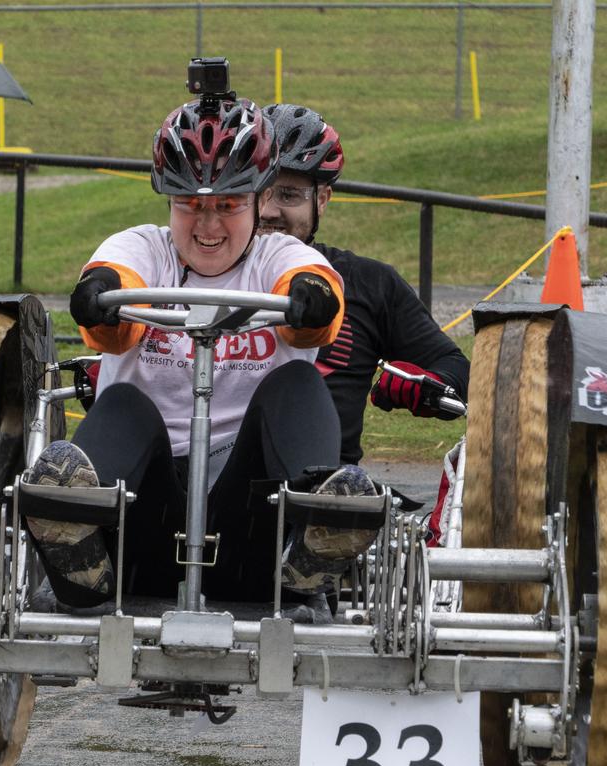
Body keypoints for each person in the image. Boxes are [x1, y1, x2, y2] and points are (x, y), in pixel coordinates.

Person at [23, 92, 375, 619]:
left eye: (227, 205)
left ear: (256, 199)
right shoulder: (144, 247)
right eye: (191, 205)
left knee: (298, 386)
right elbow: (114, 296)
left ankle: (312, 554)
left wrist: (310, 300)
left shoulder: (279, 256)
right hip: (143, 524)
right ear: (169, 201)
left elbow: (317, 296)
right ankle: (75, 554)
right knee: (122, 401)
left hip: (252, 530)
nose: (208, 226)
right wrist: (101, 298)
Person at [258, 104, 470, 466]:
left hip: (321, 494)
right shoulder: (202, 272)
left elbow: (456, 369)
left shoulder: (369, 283)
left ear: (322, 200)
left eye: (289, 195)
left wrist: (426, 384)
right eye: (257, 190)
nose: (267, 210)